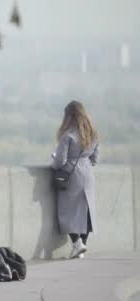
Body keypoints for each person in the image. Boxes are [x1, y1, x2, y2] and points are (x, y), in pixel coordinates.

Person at [52, 100, 99, 259]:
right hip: (88, 174)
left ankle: (77, 243)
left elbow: (60, 162)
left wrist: (54, 160)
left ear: (69, 116)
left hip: (72, 175)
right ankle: (82, 245)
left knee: (67, 210)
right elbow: (95, 158)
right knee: (86, 210)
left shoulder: (68, 136)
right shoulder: (93, 134)